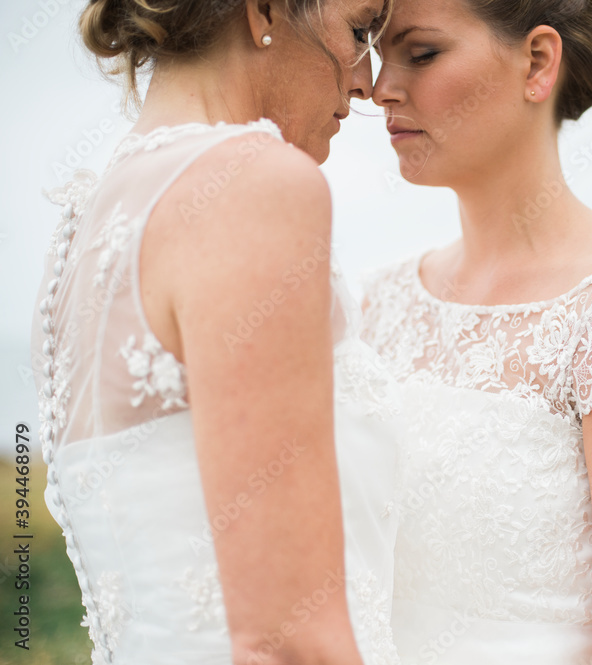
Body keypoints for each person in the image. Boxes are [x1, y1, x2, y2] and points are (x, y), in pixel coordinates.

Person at [360, 0, 592, 663]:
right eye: (376, 53)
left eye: (421, 54)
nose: (379, 89)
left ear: (537, 62)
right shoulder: (376, 303)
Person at [30, 1, 402, 663]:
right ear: (263, 11)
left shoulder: (85, 227)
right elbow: (290, 641)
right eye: (358, 30)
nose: (366, 81)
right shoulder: (253, 187)